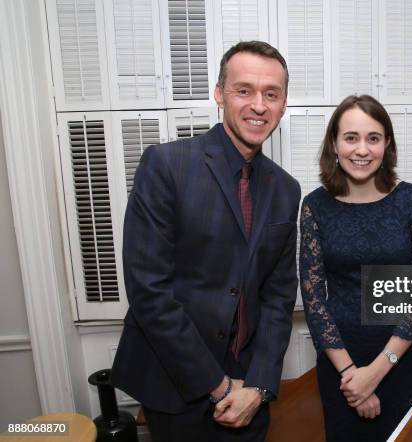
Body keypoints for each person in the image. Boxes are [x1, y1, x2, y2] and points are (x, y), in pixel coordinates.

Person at [111, 41, 300, 442]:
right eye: (243, 90)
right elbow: (149, 292)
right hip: (175, 384)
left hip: (250, 388)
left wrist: (259, 385)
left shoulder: (286, 189)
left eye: (272, 93)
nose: (259, 105)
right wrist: (219, 386)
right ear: (218, 94)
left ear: (284, 103)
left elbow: (279, 296)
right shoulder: (167, 165)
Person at [299, 95, 412, 441]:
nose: (362, 149)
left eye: (373, 138)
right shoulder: (314, 207)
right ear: (334, 143)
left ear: (387, 143)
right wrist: (352, 376)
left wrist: (376, 372)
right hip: (339, 364)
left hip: (399, 360)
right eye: (351, 138)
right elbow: (314, 302)